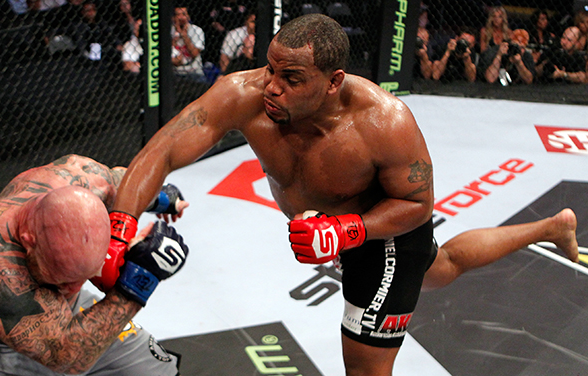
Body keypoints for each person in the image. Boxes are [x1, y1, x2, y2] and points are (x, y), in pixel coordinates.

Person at [109, 14, 579, 376]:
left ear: (333, 81)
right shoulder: (244, 94)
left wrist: (347, 231)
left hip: (384, 238)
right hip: (331, 231)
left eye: (292, 79)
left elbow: (418, 207)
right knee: (442, 268)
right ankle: (552, 226)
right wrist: (119, 229)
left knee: (365, 366)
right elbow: (163, 150)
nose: (272, 87)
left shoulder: (383, 123)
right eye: (271, 69)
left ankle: (550, 228)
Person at [0, 154, 189, 375]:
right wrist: (138, 283)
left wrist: (159, 198)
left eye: (83, 277)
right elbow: (67, 357)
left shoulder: (81, 179)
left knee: (156, 370)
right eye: (64, 279)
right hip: (5, 345)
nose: (75, 288)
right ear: (29, 241)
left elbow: (126, 184)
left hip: (64, 325)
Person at [171, 5, 206, 79]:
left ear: (188, 17)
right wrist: (175, 36)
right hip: (174, 72)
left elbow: (194, 53)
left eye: (184, 14)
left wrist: (184, 35)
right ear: (173, 18)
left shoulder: (197, 30)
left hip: (194, 72)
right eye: (178, 15)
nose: (181, 18)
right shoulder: (169, 31)